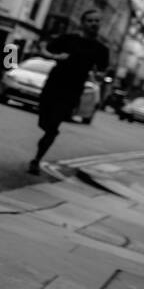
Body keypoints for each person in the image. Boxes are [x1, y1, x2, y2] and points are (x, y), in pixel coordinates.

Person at [27, 9, 109, 174]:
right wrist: (56, 57)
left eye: (97, 21)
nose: (94, 24)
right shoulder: (68, 39)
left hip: (72, 91)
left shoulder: (101, 49)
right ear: (83, 23)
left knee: (53, 126)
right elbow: (44, 50)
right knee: (43, 121)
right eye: (90, 21)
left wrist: (98, 74)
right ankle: (48, 132)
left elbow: (103, 71)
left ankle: (36, 160)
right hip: (53, 85)